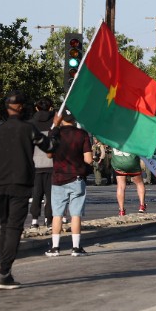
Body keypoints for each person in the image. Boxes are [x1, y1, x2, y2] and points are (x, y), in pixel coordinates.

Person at [0, 91, 51, 290]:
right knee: (14, 227)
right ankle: (4, 273)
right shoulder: (28, 130)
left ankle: (4, 270)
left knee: (5, 225)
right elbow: (49, 146)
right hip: (20, 183)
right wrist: (55, 134)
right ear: (22, 108)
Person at [45, 109, 93, 257]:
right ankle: (76, 247)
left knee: (57, 214)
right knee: (76, 214)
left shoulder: (55, 134)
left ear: (61, 118)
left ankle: (55, 247)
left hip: (58, 178)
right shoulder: (82, 134)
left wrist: (54, 127)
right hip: (77, 178)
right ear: (74, 119)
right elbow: (89, 160)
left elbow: (48, 154)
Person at [28, 97, 55, 231]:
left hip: (35, 165)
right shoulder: (54, 124)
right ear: (50, 108)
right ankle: (48, 220)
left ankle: (34, 220)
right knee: (50, 195)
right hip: (51, 164)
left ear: (36, 108)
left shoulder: (30, 125)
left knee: (36, 194)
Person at [111, 147, 147, 215]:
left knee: (120, 185)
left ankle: (121, 210)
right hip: (131, 160)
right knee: (139, 182)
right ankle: (142, 205)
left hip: (118, 161)